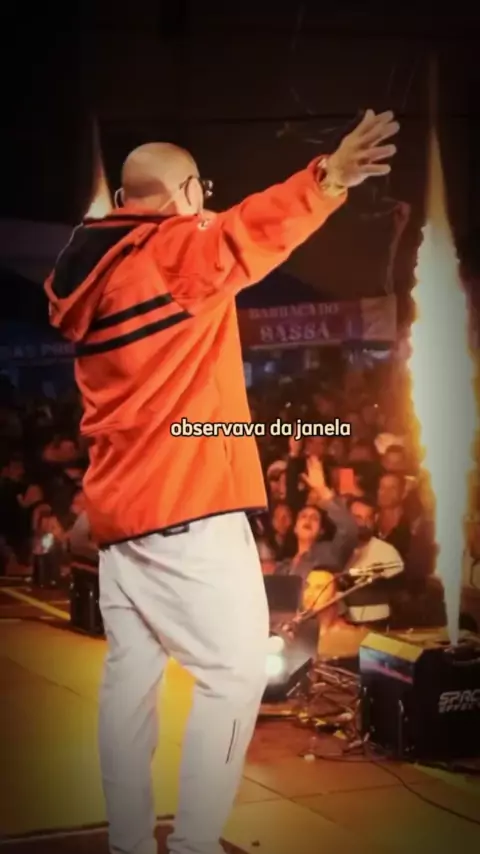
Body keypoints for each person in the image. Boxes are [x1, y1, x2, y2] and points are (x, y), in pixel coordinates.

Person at [44, 108, 399, 854]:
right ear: (183, 194)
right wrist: (328, 177)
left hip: (121, 523)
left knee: (129, 686)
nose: (205, 201)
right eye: (200, 190)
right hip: (188, 514)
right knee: (236, 675)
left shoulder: (92, 272)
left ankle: (130, 842)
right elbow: (247, 231)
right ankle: (197, 844)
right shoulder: (172, 251)